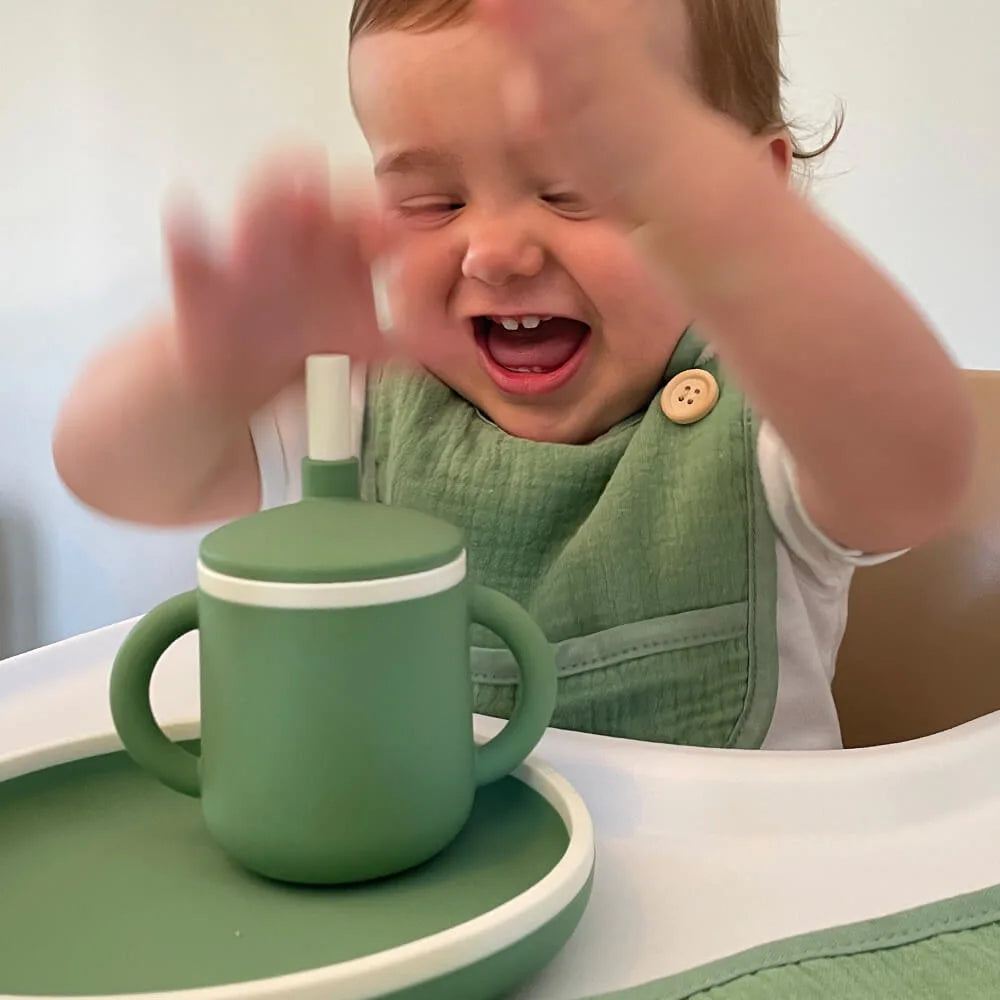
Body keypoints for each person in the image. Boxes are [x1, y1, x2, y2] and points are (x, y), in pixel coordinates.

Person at [53, 0, 975, 750]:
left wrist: (745, 236)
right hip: (432, 908)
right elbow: (109, 469)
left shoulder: (777, 419)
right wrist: (210, 367)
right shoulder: (358, 408)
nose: (492, 250)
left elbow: (919, 467)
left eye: (580, 189)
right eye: (431, 201)